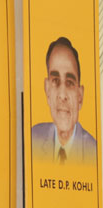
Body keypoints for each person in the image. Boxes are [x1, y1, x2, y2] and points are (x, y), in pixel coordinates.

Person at [32, 37, 96, 165]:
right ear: (47, 90)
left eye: (70, 82)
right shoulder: (32, 139)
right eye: (55, 80)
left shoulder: (95, 154)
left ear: (80, 96)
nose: (62, 95)